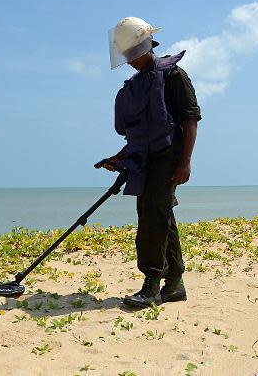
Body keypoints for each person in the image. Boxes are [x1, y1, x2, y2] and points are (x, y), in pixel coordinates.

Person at [98, 17, 200, 308]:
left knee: (152, 220)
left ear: (146, 45)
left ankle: (152, 285)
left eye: (133, 53)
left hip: (170, 158)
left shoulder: (173, 76)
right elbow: (141, 133)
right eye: (125, 55)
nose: (129, 60)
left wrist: (185, 163)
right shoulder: (134, 86)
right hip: (143, 161)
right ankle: (175, 284)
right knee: (160, 217)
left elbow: (191, 119)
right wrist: (120, 157)